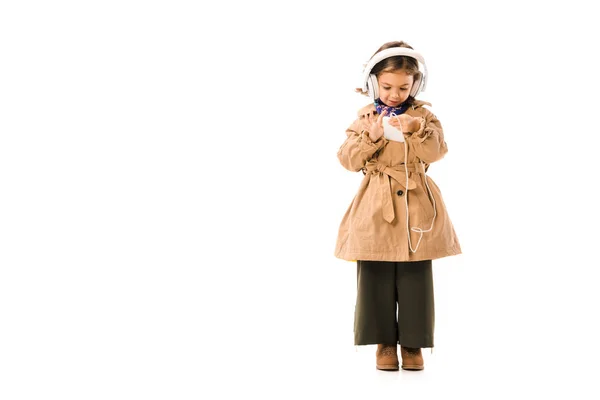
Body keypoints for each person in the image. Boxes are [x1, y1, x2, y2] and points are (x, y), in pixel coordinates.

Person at [334, 41, 462, 371]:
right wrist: (371, 137)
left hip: (416, 202)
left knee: (415, 275)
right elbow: (347, 160)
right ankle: (384, 343)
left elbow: (436, 153)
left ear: (416, 85)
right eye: (388, 86)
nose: (395, 94)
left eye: (404, 87)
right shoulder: (365, 118)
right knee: (374, 273)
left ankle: (414, 343)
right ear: (374, 83)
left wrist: (417, 130)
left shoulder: (424, 117)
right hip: (375, 204)